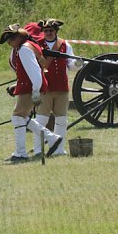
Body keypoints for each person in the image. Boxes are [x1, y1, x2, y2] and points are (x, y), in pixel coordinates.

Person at [0, 24, 63, 163]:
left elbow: (35, 73)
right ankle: (51, 138)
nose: (9, 43)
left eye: (11, 39)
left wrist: (35, 91)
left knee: (17, 117)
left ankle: (21, 153)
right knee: (22, 118)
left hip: (30, 88)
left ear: (18, 37)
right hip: (29, 87)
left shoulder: (24, 49)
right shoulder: (29, 46)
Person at [30, 19, 81, 156]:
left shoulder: (65, 45)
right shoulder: (36, 45)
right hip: (45, 88)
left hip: (61, 88)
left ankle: (59, 150)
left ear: (56, 31)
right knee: (41, 120)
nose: (48, 33)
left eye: (51, 30)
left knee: (61, 120)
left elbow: (71, 64)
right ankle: (38, 149)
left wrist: (77, 63)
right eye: (46, 30)